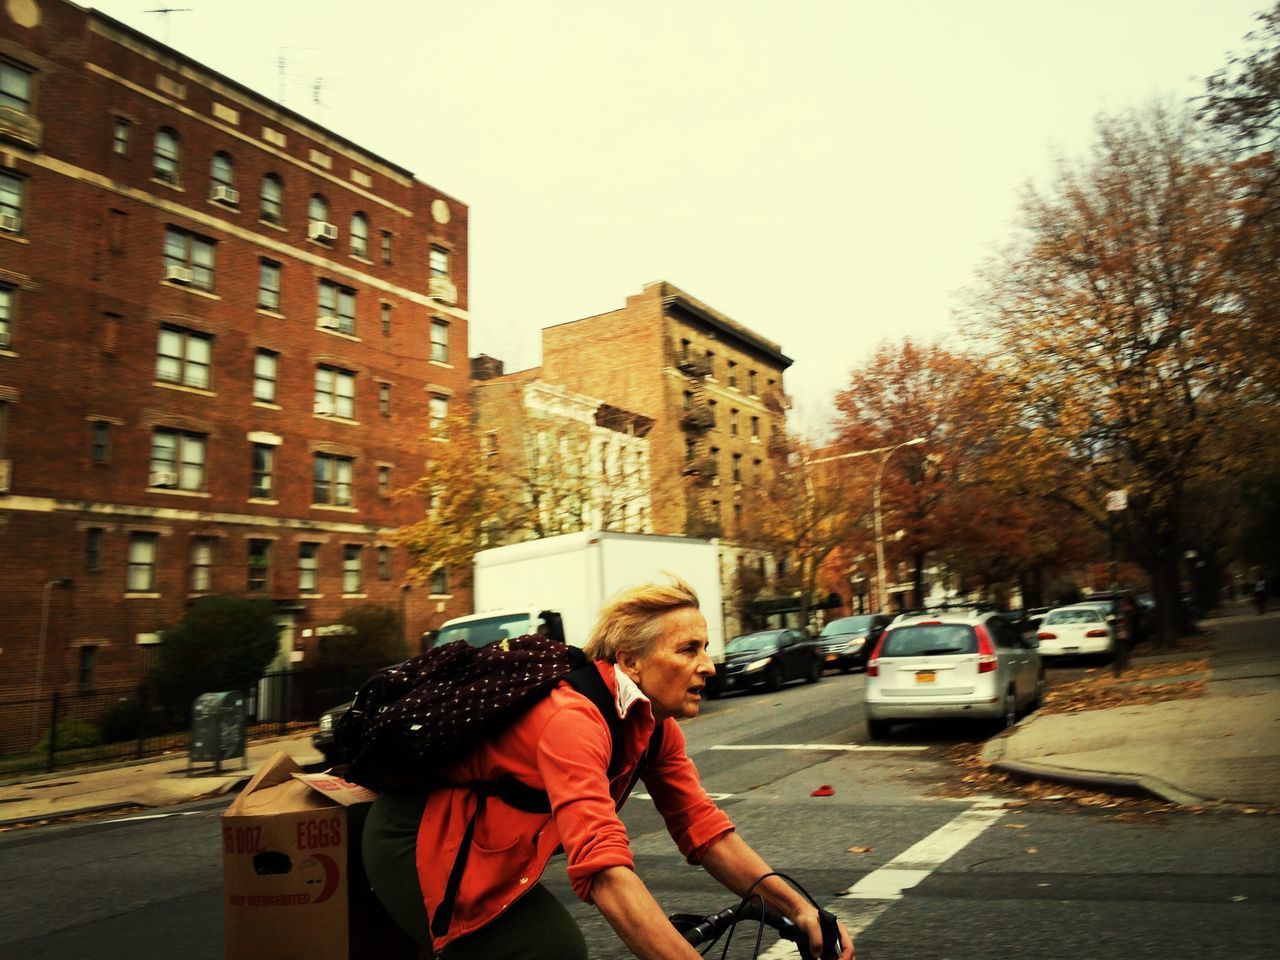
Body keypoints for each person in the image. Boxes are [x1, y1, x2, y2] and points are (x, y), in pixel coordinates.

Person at [361, 578, 854, 960]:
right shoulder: (573, 720)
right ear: (630, 662)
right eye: (688, 649)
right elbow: (602, 870)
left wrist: (800, 909)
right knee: (552, 950)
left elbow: (703, 828)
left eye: (705, 647)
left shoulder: (653, 726)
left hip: (490, 844)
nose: (708, 666)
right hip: (419, 840)